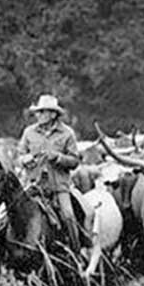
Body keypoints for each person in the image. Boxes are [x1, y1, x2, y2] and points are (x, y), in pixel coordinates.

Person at [16, 94, 86, 252]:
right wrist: (25, 159)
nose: (38, 115)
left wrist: (58, 157)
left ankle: (76, 253)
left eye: (42, 112)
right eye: (37, 112)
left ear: (53, 114)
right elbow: (19, 156)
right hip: (34, 186)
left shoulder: (67, 133)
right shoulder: (29, 132)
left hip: (59, 187)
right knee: (8, 215)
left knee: (68, 216)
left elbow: (75, 161)